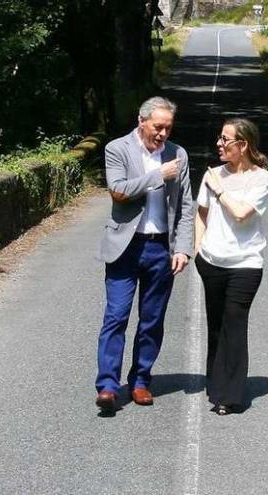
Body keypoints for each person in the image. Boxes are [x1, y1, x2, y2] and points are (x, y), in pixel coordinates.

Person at [94, 96, 194, 414]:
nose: (163, 133)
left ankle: (140, 381)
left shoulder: (178, 155)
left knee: (152, 321)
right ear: (142, 121)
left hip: (160, 248)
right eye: (157, 126)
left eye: (168, 128)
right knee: (116, 316)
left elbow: (187, 205)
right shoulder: (117, 149)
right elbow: (118, 191)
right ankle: (108, 386)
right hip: (125, 246)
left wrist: (182, 248)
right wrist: (157, 176)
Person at [195, 118, 268, 415]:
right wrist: (198, 249)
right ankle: (215, 382)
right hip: (211, 261)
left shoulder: (262, 179)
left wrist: (220, 190)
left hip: (246, 264)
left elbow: (241, 214)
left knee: (235, 323)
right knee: (216, 325)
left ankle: (230, 394)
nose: (219, 144)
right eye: (219, 138)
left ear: (244, 145)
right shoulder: (213, 175)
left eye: (226, 139)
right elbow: (200, 213)